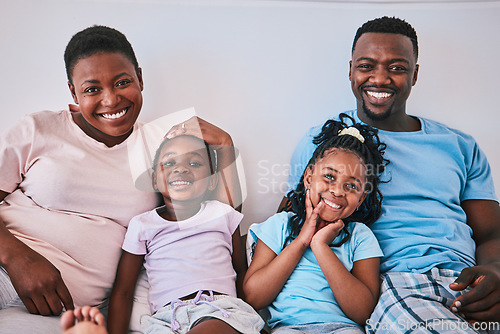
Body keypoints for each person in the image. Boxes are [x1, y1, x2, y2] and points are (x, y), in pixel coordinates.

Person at [0, 25, 241, 332]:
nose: (111, 100)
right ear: (73, 92)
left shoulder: (161, 147)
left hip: (65, 312)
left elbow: (217, 221)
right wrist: (18, 258)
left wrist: (225, 144)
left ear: (140, 78)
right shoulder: (38, 128)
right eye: (91, 89)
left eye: (122, 82)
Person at [281, 16, 500, 333]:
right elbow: (289, 223)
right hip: (397, 282)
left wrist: (494, 272)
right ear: (351, 70)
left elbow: (491, 233)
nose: (379, 78)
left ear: (415, 74)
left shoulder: (459, 145)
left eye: (396, 67)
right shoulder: (324, 143)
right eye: (366, 66)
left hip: (469, 283)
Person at [107, 134, 264, 334]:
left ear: (212, 181)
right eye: (170, 162)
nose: (181, 168)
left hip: (219, 310)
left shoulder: (222, 214)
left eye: (195, 163)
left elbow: (240, 271)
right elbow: (123, 292)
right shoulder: (142, 224)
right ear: (155, 180)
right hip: (166, 319)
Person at [244, 115, 387, 333]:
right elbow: (253, 297)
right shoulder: (280, 225)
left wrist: (320, 246)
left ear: (362, 198)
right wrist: (302, 241)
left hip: (344, 328)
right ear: (309, 178)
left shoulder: (361, 236)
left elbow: (364, 312)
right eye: (330, 177)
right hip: (288, 328)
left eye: (351, 186)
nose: (338, 191)